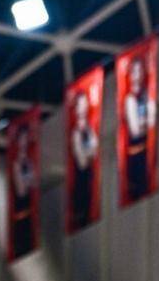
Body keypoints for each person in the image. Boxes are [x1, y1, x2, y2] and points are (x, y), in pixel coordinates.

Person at [123, 58, 154, 201]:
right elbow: (135, 129)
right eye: (134, 72)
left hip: (147, 149)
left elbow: (151, 121)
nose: (137, 75)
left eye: (139, 71)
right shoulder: (130, 99)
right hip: (135, 153)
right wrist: (144, 122)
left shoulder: (146, 96)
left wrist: (144, 122)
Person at [69, 92, 98, 230]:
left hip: (90, 180)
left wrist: (88, 153)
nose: (83, 108)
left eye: (84, 104)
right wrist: (88, 153)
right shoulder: (75, 133)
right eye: (80, 105)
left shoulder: (90, 130)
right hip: (80, 182)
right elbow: (82, 162)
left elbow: (95, 151)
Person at [11, 127, 36, 256]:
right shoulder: (17, 164)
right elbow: (21, 190)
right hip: (20, 212)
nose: (24, 144)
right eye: (22, 140)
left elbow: (34, 183)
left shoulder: (29, 162)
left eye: (26, 140)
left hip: (30, 210)